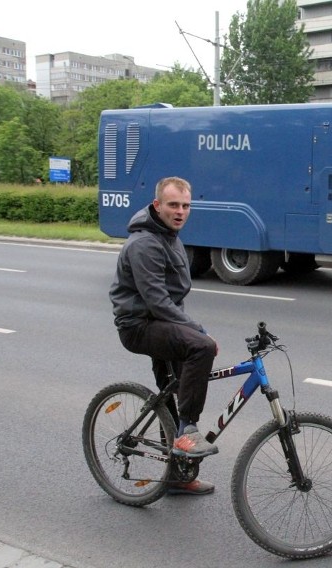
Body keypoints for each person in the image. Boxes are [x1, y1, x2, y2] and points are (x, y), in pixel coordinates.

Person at [109, 176, 219, 496]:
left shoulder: (169, 236)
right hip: (139, 325)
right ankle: (188, 430)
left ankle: (176, 476)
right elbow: (157, 300)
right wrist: (196, 330)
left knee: (170, 394)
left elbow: (172, 297)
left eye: (186, 205)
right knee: (203, 347)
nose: (181, 211)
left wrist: (184, 329)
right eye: (173, 205)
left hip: (159, 321)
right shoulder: (145, 243)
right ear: (158, 205)